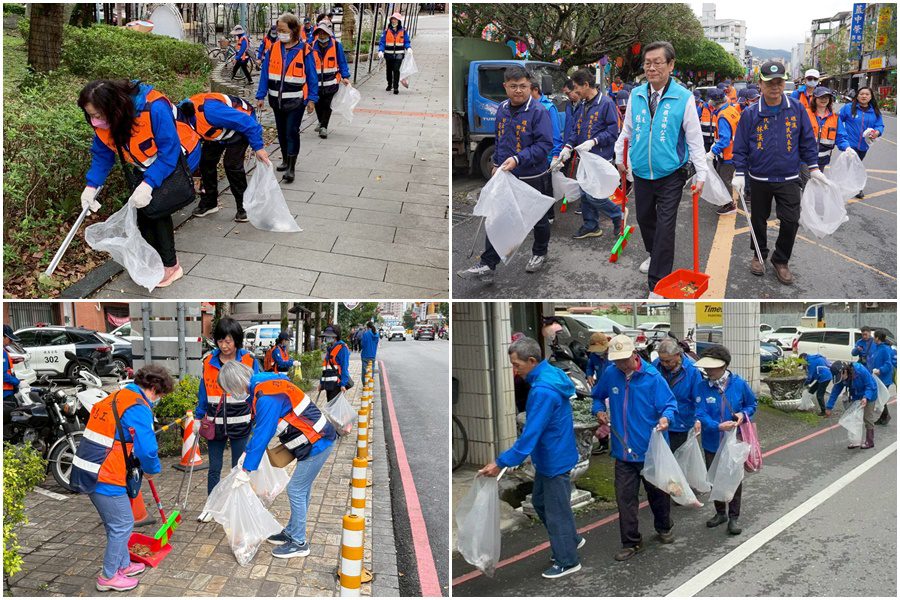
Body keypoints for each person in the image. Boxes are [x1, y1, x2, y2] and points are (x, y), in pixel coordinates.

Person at [78, 79, 201, 288]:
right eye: (90, 115)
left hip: (180, 155)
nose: (94, 121)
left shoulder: (154, 108)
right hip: (146, 162)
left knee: (157, 210)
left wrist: (149, 184)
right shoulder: (107, 121)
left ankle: (171, 266)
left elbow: (169, 152)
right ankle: (155, 261)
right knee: (143, 211)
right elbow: (102, 155)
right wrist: (91, 186)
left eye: (97, 115)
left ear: (114, 108)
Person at [478, 336, 583, 579]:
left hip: (554, 458)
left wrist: (500, 463)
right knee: (541, 502)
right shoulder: (551, 374)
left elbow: (530, 434)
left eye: (517, 365)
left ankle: (568, 560)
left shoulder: (543, 390)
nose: (515, 371)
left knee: (556, 512)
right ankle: (570, 540)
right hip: (554, 454)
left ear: (533, 361)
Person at [614, 41, 707, 296]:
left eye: (657, 62)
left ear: (671, 65)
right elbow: (627, 130)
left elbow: (694, 139)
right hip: (641, 172)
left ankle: (658, 284)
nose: (651, 68)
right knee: (645, 219)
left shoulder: (684, 98)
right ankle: (653, 254)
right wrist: (620, 155)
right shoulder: (636, 95)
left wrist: (701, 173)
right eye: (647, 63)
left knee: (665, 227)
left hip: (670, 174)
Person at [218, 360, 336, 558]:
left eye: (229, 390)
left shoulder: (266, 396)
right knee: (302, 489)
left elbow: (263, 433)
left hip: (317, 442)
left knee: (296, 489)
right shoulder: (263, 387)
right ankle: (292, 532)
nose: (231, 395)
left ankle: (299, 542)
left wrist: (246, 470)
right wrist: (247, 453)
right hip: (314, 440)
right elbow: (260, 429)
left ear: (235, 383)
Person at [70, 365, 173, 592]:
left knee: (115, 523)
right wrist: (151, 469)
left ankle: (123, 565)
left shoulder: (117, 396)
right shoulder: (138, 406)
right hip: (105, 472)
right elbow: (148, 449)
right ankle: (108, 576)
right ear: (154, 389)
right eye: (161, 395)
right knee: (123, 524)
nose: (158, 400)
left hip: (89, 467)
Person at [457, 66, 554, 280]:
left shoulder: (538, 112)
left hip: (531, 175)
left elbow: (544, 144)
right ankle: (488, 263)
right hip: (506, 174)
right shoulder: (501, 108)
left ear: (530, 86)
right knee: (498, 216)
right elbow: (500, 139)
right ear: (505, 87)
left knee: (537, 218)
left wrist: (518, 159)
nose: (518, 90)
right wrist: (496, 163)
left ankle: (540, 252)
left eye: (523, 86)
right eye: (513, 86)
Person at [731, 60, 821, 285]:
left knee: (791, 221)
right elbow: (740, 146)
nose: (775, 86)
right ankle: (759, 254)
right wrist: (739, 172)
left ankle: (781, 260)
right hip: (759, 177)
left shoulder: (796, 109)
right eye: (769, 82)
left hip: (789, 177)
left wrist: (814, 168)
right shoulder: (750, 113)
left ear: (784, 83)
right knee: (758, 219)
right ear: (760, 84)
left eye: (779, 82)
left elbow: (807, 140)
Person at [593, 334, 676, 561]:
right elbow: (597, 396)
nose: (621, 364)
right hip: (623, 451)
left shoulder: (652, 377)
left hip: (651, 450)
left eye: (624, 359)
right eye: (616, 360)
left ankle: (664, 526)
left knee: (658, 494)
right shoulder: (611, 374)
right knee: (625, 499)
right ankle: (630, 542)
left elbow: (669, 404)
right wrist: (598, 410)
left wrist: (666, 418)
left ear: (634, 354)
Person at [195, 317, 260, 516]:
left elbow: (258, 391)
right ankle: (211, 507)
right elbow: (203, 392)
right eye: (220, 341)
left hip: (241, 424)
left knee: (238, 468)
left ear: (236, 340)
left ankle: (237, 507)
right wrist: (198, 417)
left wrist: (257, 417)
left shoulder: (249, 360)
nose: (224, 346)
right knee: (214, 467)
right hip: (215, 424)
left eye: (228, 341)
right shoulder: (208, 361)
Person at [693, 345, 757, 535]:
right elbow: (700, 412)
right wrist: (716, 426)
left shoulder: (739, 383)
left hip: (734, 442)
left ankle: (734, 517)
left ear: (724, 366)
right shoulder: (702, 387)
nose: (707, 371)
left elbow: (751, 404)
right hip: (712, 442)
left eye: (711, 367)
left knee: (734, 479)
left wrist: (743, 414)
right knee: (714, 478)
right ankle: (720, 513)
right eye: (706, 367)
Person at [179, 93, 270, 222]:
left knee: (231, 164)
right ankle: (210, 203)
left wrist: (258, 147)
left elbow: (248, 124)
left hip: (242, 126)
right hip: (217, 131)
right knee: (206, 162)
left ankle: (245, 207)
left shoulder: (211, 112)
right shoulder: (179, 121)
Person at [556, 68, 622, 240]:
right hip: (584, 158)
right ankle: (591, 225)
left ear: (586, 85)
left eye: (577, 88)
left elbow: (613, 132)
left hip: (600, 157)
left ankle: (617, 215)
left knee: (594, 196)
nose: (575, 92)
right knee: (584, 193)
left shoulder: (606, 103)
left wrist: (594, 141)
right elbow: (576, 129)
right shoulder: (582, 104)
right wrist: (567, 147)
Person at [256, 13, 318, 184]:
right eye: (278, 30)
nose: (280, 33)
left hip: (296, 101)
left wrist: (312, 99)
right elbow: (265, 74)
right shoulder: (273, 49)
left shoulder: (305, 50)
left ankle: (291, 167)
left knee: (291, 131)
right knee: (282, 132)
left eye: (283, 30)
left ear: (294, 30)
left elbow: (312, 76)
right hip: (276, 100)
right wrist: (260, 95)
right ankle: (285, 159)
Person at [653, 337, 703, 451]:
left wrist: (698, 419)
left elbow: (699, 398)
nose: (664, 364)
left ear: (677, 355)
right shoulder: (656, 365)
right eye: (661, 360)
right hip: (659, 421)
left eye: (668, 361)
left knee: (678, 457)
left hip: (681, 422)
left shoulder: (692, 370)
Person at [838, 86, 884, 198]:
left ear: (871, 97)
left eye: (867, 94)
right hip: (849, 144)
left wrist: (877, 132)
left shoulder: (874, 111)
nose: (864, 96)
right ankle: (857, 188)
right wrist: (842, 135)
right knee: (853, 164)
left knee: (856, 164)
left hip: (864, 145)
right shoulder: (848, 108)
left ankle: (850, 185)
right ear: (857, 96)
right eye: (861, 94)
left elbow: (880, 125)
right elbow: (837, 120)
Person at [825, 360, 878, 449]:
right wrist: (829, 407)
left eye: (840, 376)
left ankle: (870, 441)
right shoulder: (841, 378)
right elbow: (835, 391)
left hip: (870, 393)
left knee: (867, 417)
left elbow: (870, 385)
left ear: (844, 371)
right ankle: (856, 441)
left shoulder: (860, 370)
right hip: (856, 395)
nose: (841, 379)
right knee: (854, 417)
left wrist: (866, 397)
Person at [311, 23, 351, 139]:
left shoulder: (336, 45)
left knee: (327, 105)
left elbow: (342, 62)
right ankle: (321, 121)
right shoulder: (311, 46)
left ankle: (324, 127)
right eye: (320, 33)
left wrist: (345, 76)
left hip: (331, 82)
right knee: (318, 104)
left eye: (324, 33)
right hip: (316, 83)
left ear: (329, 34)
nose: (322, 35)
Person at [707, 88, 740, 215]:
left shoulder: (722, 116)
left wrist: (712, 152)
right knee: (723, 177)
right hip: (734, 151)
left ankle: (729, 205)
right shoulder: (731, 109)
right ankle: (725, 201)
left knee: (724, 179)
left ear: (713, 102)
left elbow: (725, 140)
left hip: (728, 154)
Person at [804, 87, 847, 172]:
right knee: (806, 179)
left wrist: (847, 147)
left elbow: (840, 137)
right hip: (804, 159)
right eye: (821, 97)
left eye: (826, 97)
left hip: (822, 161)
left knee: (817, 180)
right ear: (815, 98)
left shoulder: (835, 117)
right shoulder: (805, 113)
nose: (824, 99)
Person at [531, 78, 563, 167]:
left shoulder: (548, 107)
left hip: (545, 157)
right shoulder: (525, 106)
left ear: (535, 90)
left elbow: (555, 133)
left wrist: (556, 155)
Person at [377, 12, 411, 95]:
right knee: (389, 70)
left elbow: (406, 41)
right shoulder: (386, 31)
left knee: (396, 70)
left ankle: (396, 87)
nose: (393, 21)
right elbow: (382, 42)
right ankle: (389, 84)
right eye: (392, 19)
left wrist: (408, 48)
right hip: (388, 54)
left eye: (395, 19)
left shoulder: (403, 31)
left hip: (399, 54)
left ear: (398, 21)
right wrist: (381, 50)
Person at [868, 329, 894, 426]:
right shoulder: (877, 347)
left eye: (874, 336)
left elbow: (888, 364)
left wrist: (880, 370)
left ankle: (885, 417)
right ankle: (884, 416)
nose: (873, 338)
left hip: (884, 378)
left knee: (882, 398)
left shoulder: (885, 349)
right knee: (881, 398)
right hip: (877, 377)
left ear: (877, 338)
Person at [319, 324, 350, 401]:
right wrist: (321, 383)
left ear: (335, 337)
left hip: (337, 384)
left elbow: (344, 367)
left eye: (328, 336)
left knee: (335, 406)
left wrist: (343, 384)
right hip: (328, 384)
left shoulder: (342, 348)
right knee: (330, 405)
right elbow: (326, 368)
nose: (326, 338)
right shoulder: (330, 348)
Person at [799, 352, 831, 416]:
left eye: (802, 363)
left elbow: (810, 377)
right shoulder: (813, 358)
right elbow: (813, 376)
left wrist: (803, 384)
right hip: (822, 377)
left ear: (803, 358)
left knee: (819, 395)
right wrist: (808, 383)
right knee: (811, 390)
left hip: (824, 378)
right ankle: (808, 406)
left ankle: (823, 411)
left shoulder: (810, 362)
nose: (803, 365)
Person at [3, 325, 21, 403]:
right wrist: (18, 382)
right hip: (5, 394)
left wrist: (11, 361)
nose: (11, 341)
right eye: (10, 339)